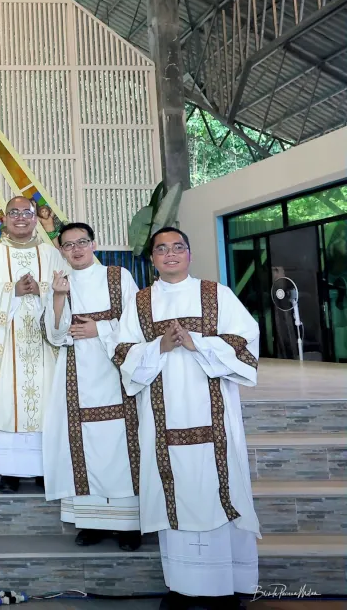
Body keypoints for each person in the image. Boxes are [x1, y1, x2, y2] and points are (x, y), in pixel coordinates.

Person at [112, 227, 261, 610]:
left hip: (216, 415)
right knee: (171, 491)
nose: (171, 254)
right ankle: (181, 587)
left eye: (178, 247)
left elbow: (246, 340)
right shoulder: (141, 302)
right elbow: (123, 351)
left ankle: (229, 584)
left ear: (189, 254)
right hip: (161, 418)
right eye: (162, 249)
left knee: (220, 486)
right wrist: (160, 346)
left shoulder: (217, 294)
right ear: (153, 260)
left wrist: (198, 343)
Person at [42, 223, 142, 551]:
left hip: (116, 375)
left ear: (94, 243)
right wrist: (58, 296)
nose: (76, 250)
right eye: (68, 245)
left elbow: (137, 325)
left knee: (122, 447)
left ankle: (129, 525)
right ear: (61, 251)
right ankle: (91, 521)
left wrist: (98, 328)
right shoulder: (61, 282)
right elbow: (55, 335)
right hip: (76, 377)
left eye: (82, 242)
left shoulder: (119, 276)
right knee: (81, 446)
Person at [0, 196, 68, 493]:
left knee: (46, 406)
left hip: (44, 346)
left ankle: (44, 471)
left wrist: (42, 290)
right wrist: (12, 290)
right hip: (7, 342)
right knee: (8, 402)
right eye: (13, 213)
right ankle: (10, 473)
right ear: (4, 219)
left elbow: (66, 288)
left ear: (35, 218)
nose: (20, 218)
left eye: (26, 212)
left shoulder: (51, 255)